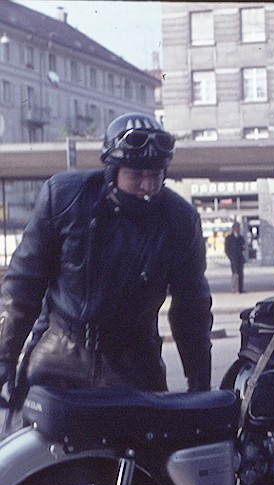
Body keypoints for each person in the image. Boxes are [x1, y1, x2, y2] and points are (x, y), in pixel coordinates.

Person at [0, 112, 213, 405]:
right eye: (137, 175)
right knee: (33, 445)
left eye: (156, 174)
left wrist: (199, 380)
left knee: (149, 445)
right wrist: (4, 357)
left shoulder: (180, 220)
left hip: (135, 362)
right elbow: (23, 285)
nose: (148, 186)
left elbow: (192, 307)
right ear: (112, 171)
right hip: (58, 354)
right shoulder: (65, 198)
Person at [225, 221, 246, 293]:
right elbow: (226, 249)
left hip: (240, 258)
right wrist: (230, 257)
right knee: (235, 274)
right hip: (233, 259)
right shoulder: (229, 238)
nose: (238, 229)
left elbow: (243, 247)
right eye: (237, 228)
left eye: (239, 228)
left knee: (241, 274)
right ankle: (235, 289)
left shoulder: (241, 238)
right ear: (234, 229)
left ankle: (241, 289)